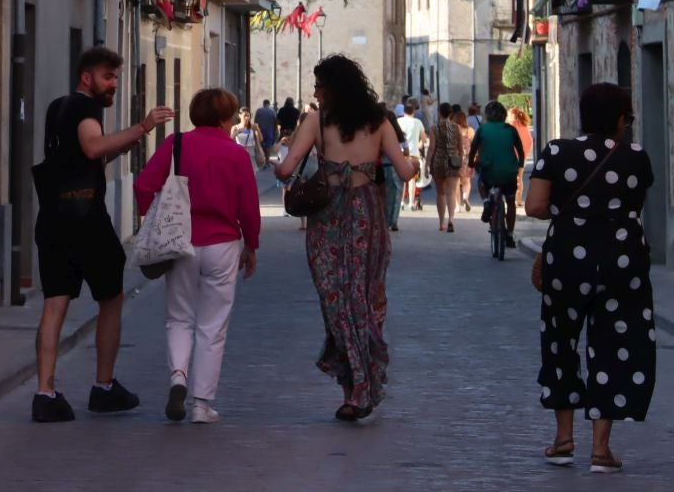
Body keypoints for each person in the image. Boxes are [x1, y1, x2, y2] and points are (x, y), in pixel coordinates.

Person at [31, 45, 174, 422]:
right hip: (86, 220)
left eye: (115, 78)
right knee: (112, 298)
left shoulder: (56, 108)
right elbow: (93, 147)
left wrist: (123, 143)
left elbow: (80, 157)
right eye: (108, 78)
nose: (113, 85)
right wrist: (143, 128)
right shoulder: (85, 108)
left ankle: (45, 392)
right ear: (87, 78)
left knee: (54, 303)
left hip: (52, 219)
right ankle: (103, 386)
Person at [273, 56, 418, 420]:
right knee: (364, 298)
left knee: (336, 299)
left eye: (319, 85)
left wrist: (280, 162)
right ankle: (362, 383)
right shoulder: (379, 122)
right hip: (368, 217)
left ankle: (356, 388)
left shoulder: (316, 121)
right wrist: (412, 163)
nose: (315, 92)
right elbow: (404, 172)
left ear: (333, 88)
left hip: (328, 219)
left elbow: (287, 169)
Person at [526, 82, 655, 475]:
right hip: (623, 261)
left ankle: (563, 441)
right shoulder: (636, 158)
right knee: (616, 344)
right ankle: (601, 449)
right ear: (619, 119)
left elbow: (534, 206)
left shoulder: (557, 152)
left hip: (568, 259)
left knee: (561, 341)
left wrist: (569, 214)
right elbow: (634, 205)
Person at [134, 87, 262, 425]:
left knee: (179, 317)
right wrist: (252, 246)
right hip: (222, 244)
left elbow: (143, 186)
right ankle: (202, 405)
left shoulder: (176, 144)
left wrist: (154, 219)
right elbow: (249, 206)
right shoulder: (235, 154)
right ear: (224, 118)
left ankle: (178, 376)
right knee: (212, 325)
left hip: (181, 242)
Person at [468, 100, 527, 246]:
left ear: (487, 115)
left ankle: (487, 202)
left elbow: (473, 148)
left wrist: (471, 163)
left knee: (481, 183)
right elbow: (520, 150)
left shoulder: (482, 129)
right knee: (511, 202)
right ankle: (510, 234)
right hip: (509, 171)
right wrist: (520, 165)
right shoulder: (510, 129)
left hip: (489, 170)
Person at [430, 102, 465, 231]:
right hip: (453, 162)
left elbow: (432, 148)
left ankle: (441, 223)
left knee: (441, 193)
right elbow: (460, 148)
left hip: (438, 162)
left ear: (439, 112)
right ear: (451, 114)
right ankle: (451, 219)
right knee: (451, 192)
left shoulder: (434, 128)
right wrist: (460, 159)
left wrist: (428, 163)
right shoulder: (456, 127)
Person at [397, 104, 428, 211]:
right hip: (414, 153)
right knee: (412, 180)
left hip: (401, 153)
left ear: (404, 111)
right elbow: (424, 137)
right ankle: (411, 202)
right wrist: (420, 143)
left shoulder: (398, 121)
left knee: (401, 179)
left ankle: (401, 202)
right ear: (413, 111)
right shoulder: (417, 122)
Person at [382, 107, 404, 232]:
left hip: (383, 166)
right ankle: (394, 220)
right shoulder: (399, 135)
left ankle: (385, 219)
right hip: (395, 166)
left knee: (384, 195)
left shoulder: (381, 134)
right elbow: (405, 150)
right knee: (396, 194)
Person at [509, 106, 535, 198]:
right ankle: (518, 199)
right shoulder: (524, 125)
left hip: (511, 157)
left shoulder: (511, 125)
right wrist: (526, 154)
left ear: (513, 115)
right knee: (519, 178)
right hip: (522, 157)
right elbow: (529, 141)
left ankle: (513, 199)